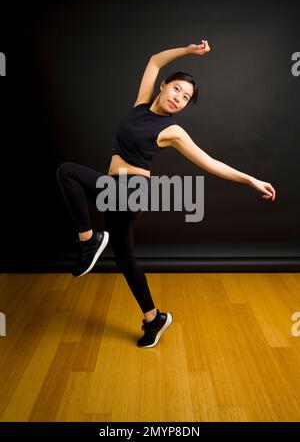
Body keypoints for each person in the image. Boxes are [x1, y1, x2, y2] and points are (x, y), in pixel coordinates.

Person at [56, 40, 276, 349]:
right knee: (125, 260)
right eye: (176, 90)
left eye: (186, 98)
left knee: (67, 171)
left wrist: (250, 179)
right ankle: (153, 319)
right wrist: (188, 51)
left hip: (131, 192)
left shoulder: (172, 132)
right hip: (112, 192)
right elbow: (155, 60)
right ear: (163, 87)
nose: (179, 99)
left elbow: (210, 162)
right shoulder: (140, 105)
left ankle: (88, 240)